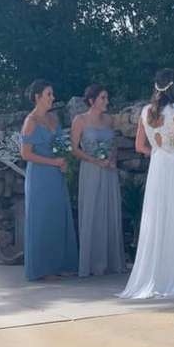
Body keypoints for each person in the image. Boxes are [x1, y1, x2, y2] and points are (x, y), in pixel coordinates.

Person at [119, 69, 174, 299]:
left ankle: (156, 272)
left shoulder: (146, 111)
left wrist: (157, 152)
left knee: (157, 218)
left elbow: (139, 146)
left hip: (157, 166)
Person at [20, 80, 78, 281]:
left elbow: (61, 144)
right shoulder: (31, 122)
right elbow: (26, 154)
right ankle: (43, 268)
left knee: (58, 216)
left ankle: (61, 264)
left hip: (56, 174)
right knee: (42, 219)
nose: (52, 98)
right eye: (49, 94)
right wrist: (53, 162)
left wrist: (64, 161)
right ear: (38, 97)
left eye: (52, 94)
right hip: (40, 176)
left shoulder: (54, 118)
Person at [71, 84, 126, 277]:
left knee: (110, 210)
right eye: (103, 98)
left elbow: (115, 145)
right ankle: (92, 263)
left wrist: (112, 159)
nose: (107, 101)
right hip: (91, 169)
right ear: (92, 101)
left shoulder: (110, 120)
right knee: (92, 211)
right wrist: (95, 160)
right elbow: (75, 149)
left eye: (107, 97)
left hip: (109, 170)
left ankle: (112, 261)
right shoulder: (80, 120)